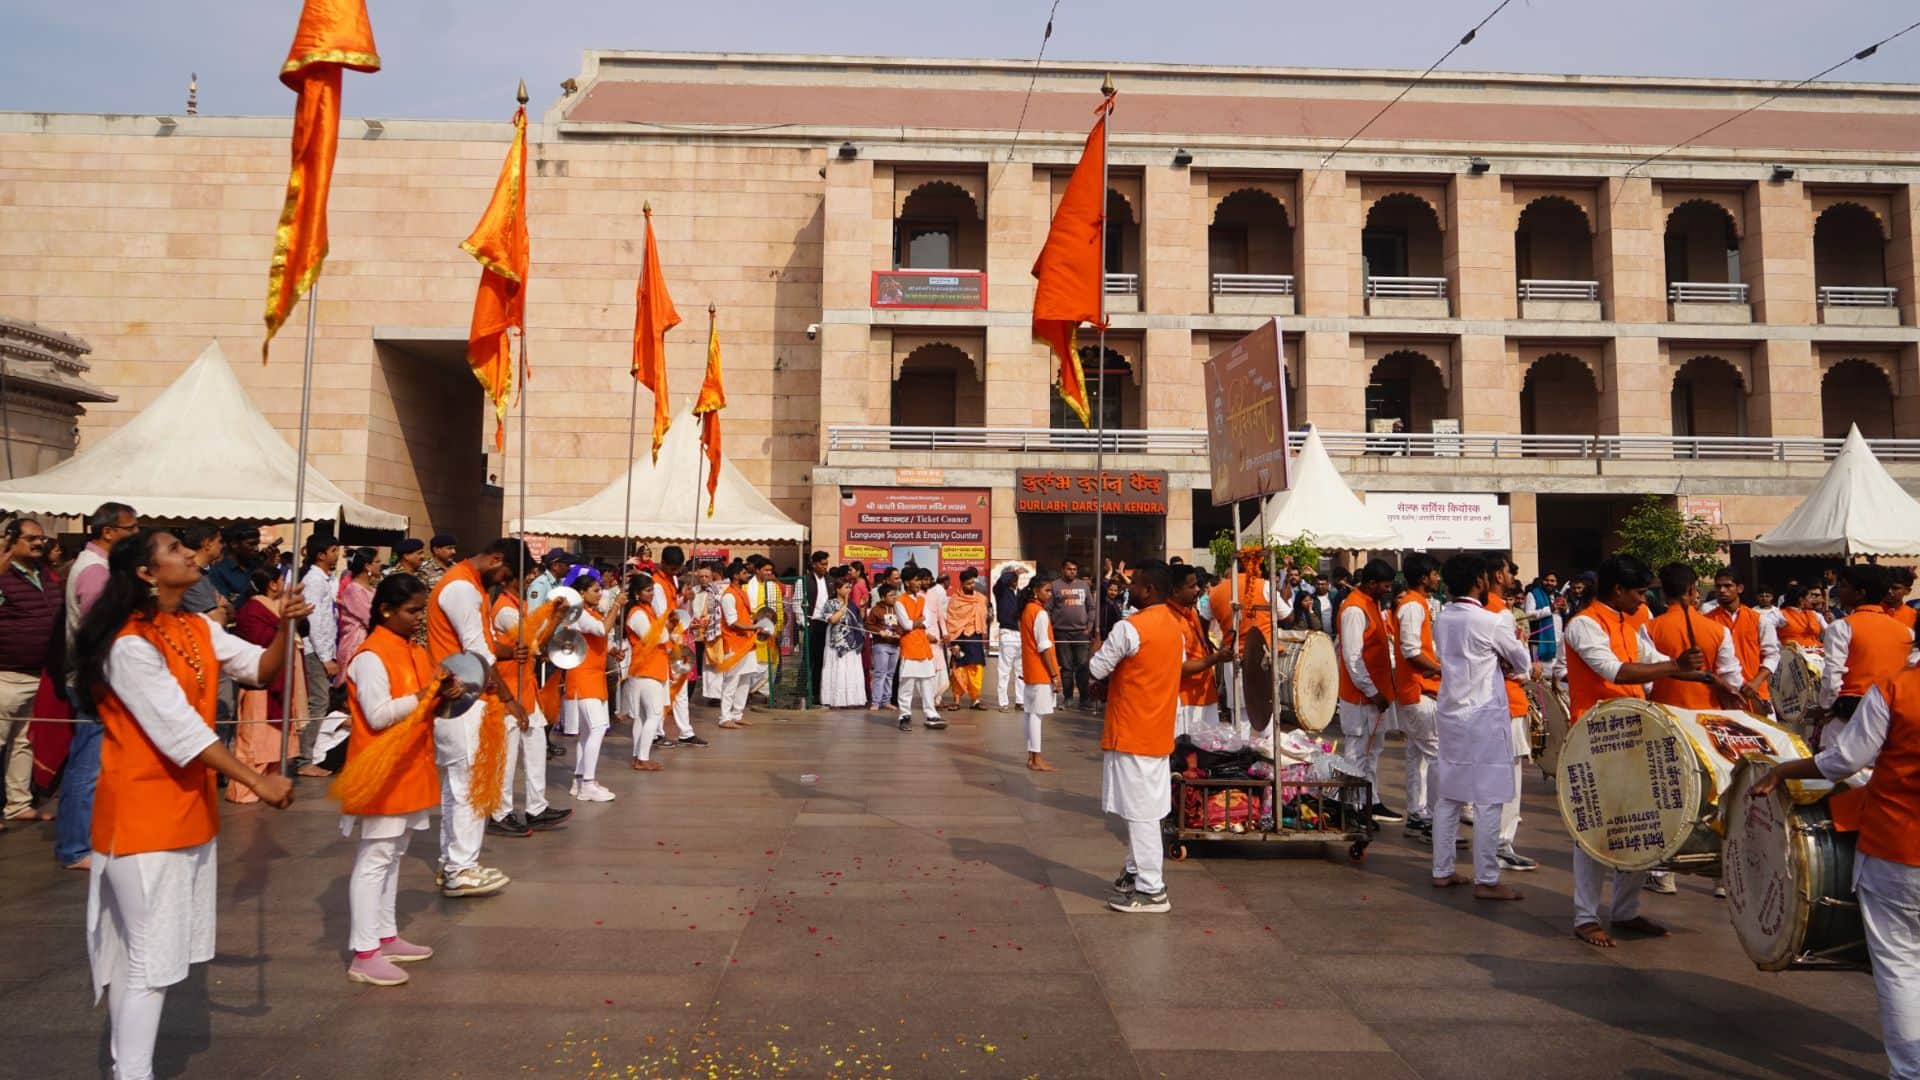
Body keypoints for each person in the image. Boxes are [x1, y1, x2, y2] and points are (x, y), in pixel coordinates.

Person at [74, 528, 303, 1080]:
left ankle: (131, 1068)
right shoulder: (129, 645)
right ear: (147, 574)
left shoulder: (196, 625)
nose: (190, 554)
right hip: (141, 817)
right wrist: (259, 780)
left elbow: (260, 670)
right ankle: (132, 1072)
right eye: (174, 550)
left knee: (149, 959)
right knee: (149, 962)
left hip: (189, 813)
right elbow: (180, 734)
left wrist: (286, 626)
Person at [1753, 668, 1920, 1078]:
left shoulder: (1898, 689)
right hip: (1896, 850)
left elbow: (1846, 760)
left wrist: (1783, 770)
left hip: (1896, 849)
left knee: (1900, 966)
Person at [1565, 554, 1708, 948]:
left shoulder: (1632, 622)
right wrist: (1675, 667)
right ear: (1617, 590)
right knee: (1592, 828)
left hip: (1633, 730)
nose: (1644, 598)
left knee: (1642, 822)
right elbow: (1615, 671)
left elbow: (1650, 660)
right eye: (1640, 591)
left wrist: (1686, 669)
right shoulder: (1584, 624)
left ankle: (1625, 911)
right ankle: (1585, 916)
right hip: (1594, 735)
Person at [1090, 561, 1230, 913]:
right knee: (1146, 809)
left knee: (1140, 813)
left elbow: (1096, 668)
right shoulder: (1174, 626)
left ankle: (1152, 889)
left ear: (1149, 589)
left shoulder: (1129, 628)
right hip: (1158, 728)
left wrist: (1098, 645)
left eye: (1134, 582)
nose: (1129, 588)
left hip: (1132, 730)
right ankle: (1136, 870)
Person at [338, 573, 446, 986]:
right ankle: (364, 952)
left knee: (394, 853)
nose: (418, 618)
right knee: (377, 856)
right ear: (385, 610)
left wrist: (442, 694)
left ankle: (385, 934)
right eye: (412, 610)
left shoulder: (413, 650)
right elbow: (378, 714)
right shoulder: (370, 655)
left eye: (421, 609)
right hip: (382, 769)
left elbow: (424, 699)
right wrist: (425, 697)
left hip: (411, 765)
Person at [426, 537, 530, 898]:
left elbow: (481, 645)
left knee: (459, 787)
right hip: (463, 698)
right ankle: (461, 869)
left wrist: (505, 650)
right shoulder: (461, 587)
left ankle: (451, 864)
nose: (501, 583)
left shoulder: (467, 585)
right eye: (503, 576)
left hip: (463, 697)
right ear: (496, 559)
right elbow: (478, 653)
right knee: (467, 786)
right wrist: (508, 697)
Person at [1431, 554, 1538, 902]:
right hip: (1483, 717)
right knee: (1490, 798)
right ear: (1480, 580)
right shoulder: (1491, 620)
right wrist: (1515, 655)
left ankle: (1442, 870)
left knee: (1449, 795)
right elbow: (1522, 663)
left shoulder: (1443, 618)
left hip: (1450, 713)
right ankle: (1487, 879)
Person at [56, 501, 137, 869]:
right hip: (95, 680)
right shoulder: (94, 571)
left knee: (95, 764)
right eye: (130, 529)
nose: (135, 535)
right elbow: (99, 628)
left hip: (97, 677)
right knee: (87, 766)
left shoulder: (97, 567)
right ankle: (75, 846)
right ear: (109, 532)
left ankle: (89, 836)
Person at [483, 558, 570, 837]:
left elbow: (537, 642)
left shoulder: (518, 606)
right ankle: (500, 812)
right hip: (508, 689)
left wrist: (554, 618)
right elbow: (534, 643)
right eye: (528, 575)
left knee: (534, 747)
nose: (531, 580)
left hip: (526, 687)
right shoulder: (505, 611)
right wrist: (553, 619)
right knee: (507, 756)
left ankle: (536, 807)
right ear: (510, 578)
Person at [1335, 559, 1407, 825]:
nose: (1387, 591)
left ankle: (1371, 800)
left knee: (1373, 752)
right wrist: (1373, 691)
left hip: (1375, 697)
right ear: (1371, 583)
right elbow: (1353, 658)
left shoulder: (1372, 603)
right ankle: (1353, 807)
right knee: (1356, 752)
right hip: (1361, 697)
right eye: (1385, 586)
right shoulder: (1354, 609)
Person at [228, 569, 307, 805]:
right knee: (254, 741)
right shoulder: (252, 610)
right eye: (282, 580)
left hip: (281, 683)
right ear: (272, 585)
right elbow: (260, 641)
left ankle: (268, 784)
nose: (284, 583)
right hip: (261, 686)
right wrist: (284, 628)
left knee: (273, 742)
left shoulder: (277, 606)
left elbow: (302, 631)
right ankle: (244, 790)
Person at [1482, 556, 1540, 872]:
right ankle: (1502, 843)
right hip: (1508, 701)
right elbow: (1518, 663)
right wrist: (1528, 667)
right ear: (1495, 575)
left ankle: (1493, 842)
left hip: (1486, 703)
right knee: (1510, 777)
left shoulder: (1468, 611)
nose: (1510, 576)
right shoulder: (1499, 613)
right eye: (1506, 571)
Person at [0, 516, 57, 826]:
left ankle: (17, 803)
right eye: (32, 538)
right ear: (12, 541)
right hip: (6, 673)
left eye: (41, 539)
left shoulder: (45, 575)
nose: (39, 543)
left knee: (24, 741)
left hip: (39, 674)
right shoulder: (4, 575)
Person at [1821, 563, 1916, 722]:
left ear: (1860, 593)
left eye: (1844, 586)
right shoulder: (1907, 631)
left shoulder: (1842, 626)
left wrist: (1826, 706)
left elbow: (1832, 677)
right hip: (1892, 712)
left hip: (1850, 713)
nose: (1839, 591)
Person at [1396, 553, 1444, 842]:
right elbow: (1411, 651)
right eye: (1435, 574)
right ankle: (1436, 820)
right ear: (1424, 578)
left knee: (1418, 756)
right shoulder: (1413, 605)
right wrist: (1441, 669)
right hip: (1418, 691)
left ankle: (1417, 814)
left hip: (1417, 690)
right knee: (1436, 756)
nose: (1438, 578)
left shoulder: (1417, 604)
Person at [556, 567, 615, 802]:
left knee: (588, 732)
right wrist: (617, 606)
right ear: (581, 593)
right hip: (583, 677)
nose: (599, 593)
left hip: (593, 675)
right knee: (598, 728)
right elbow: (602, 629)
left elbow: (598, 638)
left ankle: (580, 779)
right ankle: (588, 784)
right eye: (595, 590)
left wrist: (612, 651)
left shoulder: (588, 612)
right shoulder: (579, 613)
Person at [651, 547, 707, 749]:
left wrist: (685, 599)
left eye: (678, 568)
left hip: (677, 636)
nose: (675, 572)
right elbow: (661, 614)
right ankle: (657, 732)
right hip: (666, 639)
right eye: (672, 568)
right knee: (664, 690)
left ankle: (686, 731)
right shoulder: (657, 584)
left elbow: (674, 607)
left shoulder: (671, 580)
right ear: (663, 563)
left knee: (681, 687)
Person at [295, 534, 341, 773]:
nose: (337, 554)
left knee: (320, 701)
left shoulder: (325, 579)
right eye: (333, 550)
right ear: (321, 555)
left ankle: (308, 755)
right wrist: (325, 657)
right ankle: (304, 759)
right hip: (315, 650)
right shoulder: (314, 580)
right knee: (319, 701)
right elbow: (314, 620)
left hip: (323, 648)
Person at [1705, 568, 1780, 714]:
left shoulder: (1759, 620)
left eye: (1728, 586)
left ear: (1739, 588)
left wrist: (1756, 682)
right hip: (1720, 698)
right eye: (1718, 586)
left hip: (1756, 695)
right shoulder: (1707, 621)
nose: (1722, 590)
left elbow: (1772, 655)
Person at [1170, 567, 1228, 742]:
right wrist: (1216, 658)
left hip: (1205, 694)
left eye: (1198, 585)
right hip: (1185, 700)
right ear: (1176, 590)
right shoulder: (1170, 620)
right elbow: (1180, 669)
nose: (1198, 590)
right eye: (1192, 586)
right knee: (1187, 757)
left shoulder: (1192, 612)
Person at [621, 573, 670, 772]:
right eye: (648, 590)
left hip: (650, 668)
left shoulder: (646, 610)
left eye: (652, 590)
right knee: (654, 715)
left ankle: (638, 756)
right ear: (637, 593)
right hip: (647, 670)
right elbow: (655, 637)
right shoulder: (637, 613)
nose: (651, 594)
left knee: (642, 717)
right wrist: (667, 628)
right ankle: (642, 757)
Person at [1017, 572, 1061, 771]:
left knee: (1030, 714)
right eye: (1047, 590)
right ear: (1036, 591)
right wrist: (1053, 674)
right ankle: (1036, 758)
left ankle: (1032, 757)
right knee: (1036, 715)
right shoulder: (1039, 613)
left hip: (1030, 668)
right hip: (1040, 670)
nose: (1050, 594)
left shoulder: (1028, 609)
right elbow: (1044, 646)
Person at [714, 561, 764, 730]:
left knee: (745, 679)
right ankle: (724, 717)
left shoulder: (741, 593)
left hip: (747, 642)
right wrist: (754, 627)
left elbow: (744, 616)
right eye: (743, 573)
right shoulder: (728, 595)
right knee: (732, 681)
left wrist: (756, 620)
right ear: (735, 576)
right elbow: (733, 622)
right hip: (734, 643)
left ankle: (737, 714)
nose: (747, 575)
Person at [894, 568, 945, 731]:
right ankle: (904, 715)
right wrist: (916, 622)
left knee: (927, 683)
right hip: (909, 645)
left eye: (919, 580)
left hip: (923, 645)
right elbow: (906, 624)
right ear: (907, 582)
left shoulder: (922, 599)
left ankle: (931, 714)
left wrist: (916, 622)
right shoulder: (899, 601)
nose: (918, 583)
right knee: (907, 684)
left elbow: (928, 621)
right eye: (915, 580)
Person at [1049, 560, 1094, 709]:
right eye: (1069, 569)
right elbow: (1048, 609)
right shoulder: (1055, 586)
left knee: (1082, 666)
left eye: (1075, 569)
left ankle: (1084, 699)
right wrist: (1051, 628)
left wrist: (1089, 626)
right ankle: (1067, 698)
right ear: (1063, 570)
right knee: (1067, 668)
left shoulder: (1083, 585)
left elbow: (1091, 607)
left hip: (1081, 632)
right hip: (1062, 632)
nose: (1072, 572)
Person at [333, 548, 379, 687]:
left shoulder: (372, 589)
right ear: (367, 566)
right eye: (377, 562)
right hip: (355, 643)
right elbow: (371, 617)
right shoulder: (354, 590)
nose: (380, 565)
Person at [946, 567, 989, 709]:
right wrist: (954, 643)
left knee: (976, 668)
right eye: (968, 584)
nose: (971, 586)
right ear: (962, 584)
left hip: (975, 637)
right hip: (959, 638)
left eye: (973, 583)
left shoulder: (980, 599)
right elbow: (951, 621)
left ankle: (975, 699)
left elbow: (985, 616)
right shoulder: (955, 600)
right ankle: (956, 700)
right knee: (959, 669)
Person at [801, 549, 832, 708]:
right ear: (814, 564)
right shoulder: (804, 580)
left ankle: (817, 692)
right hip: (810, 622)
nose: (825, 567)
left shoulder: (830, 580)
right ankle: (801, 691)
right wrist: (803, 622)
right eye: (822, 564)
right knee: (808, 658)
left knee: (822, 659)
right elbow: (796, 603)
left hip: (826, 623)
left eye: (826, 564)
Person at [866, 582, 902, 710]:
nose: (894, 597)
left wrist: (899, 633)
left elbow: (902, 625)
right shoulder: (876, 610)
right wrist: (879, 631)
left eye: (895, 595)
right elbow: (868, 625)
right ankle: (876, 702)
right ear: (882, 597)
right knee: (880, 673)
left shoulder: (898, 609)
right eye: (891, 595)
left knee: (890, 674)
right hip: (881, 645)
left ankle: (886, 701)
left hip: (895, 645)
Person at [993, 565, 1023, 712]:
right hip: (1007, 632)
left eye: (1016, 577)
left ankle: (1020, 701)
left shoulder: (1021, 593)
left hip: (1021, 633)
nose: (1015, 579)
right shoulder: (1000, 591)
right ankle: (1003, 702)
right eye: (1012, 577)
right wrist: (1012, 573)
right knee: (1004, 670)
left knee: (1021, 670)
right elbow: (1003, 580)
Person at [206, 524, 259, 606]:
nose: (256, 549)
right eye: (251, 544)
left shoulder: (257, 566)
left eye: (257, 544)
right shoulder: (218, 572)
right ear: (234, 544)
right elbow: (227, 605)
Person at [1778, 583, 1829, 651]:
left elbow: (1830, 631)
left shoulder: (1815, 614)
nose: (1812, 600)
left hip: (1816, 651)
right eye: (1810, 597)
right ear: (1801, 599)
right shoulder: (1779, 614)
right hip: (1791, 654)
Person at [1525, 571, 1562, 663]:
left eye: (1552, 581)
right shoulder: (1533, 594)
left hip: (1557, 641)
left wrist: (1565, 610)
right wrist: (1549, 609)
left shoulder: (1558, 595)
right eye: (1547, 580)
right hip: (1540, 642)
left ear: (1556, 583)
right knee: (1540, 674)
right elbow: (1529, 615)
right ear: (1542, 581)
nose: (1549, 583)